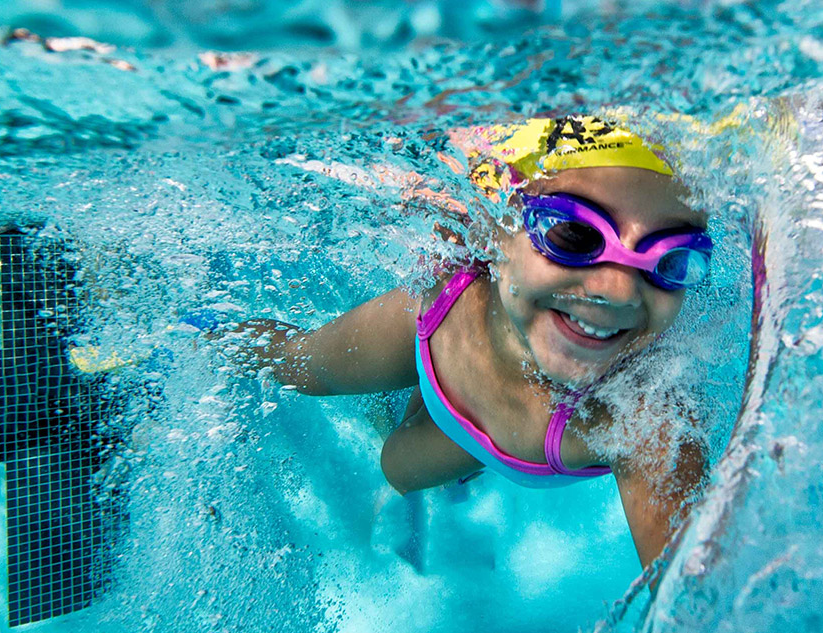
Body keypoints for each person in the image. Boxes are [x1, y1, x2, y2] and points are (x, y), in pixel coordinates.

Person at [208, 115, 712, 569]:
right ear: (493, 225)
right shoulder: (453, 259)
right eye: (573, 235)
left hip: (482, 441)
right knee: (299, 366)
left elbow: (691, 590)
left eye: (673, 259)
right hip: (438, 328)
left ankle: (452, 459)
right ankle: (203, 333)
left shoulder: (641, 411)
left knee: (394, 466)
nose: (619, 289)